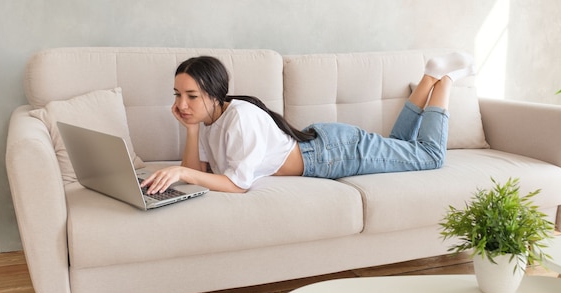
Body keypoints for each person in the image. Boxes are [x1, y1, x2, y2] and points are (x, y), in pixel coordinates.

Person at [141, 52, 475, 194]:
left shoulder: (239, 118)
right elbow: (197, 171)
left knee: (429, 155)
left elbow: (237, 185)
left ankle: (443, 82)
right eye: (177, 95)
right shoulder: (212, 118)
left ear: (215, 94)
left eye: (191, 96)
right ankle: (428, 77)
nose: (181, 104)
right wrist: (190, 129)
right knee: (403, 149)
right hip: (324, 145)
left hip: (333, 154)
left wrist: (182, 172)